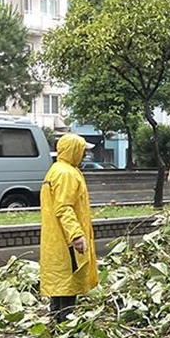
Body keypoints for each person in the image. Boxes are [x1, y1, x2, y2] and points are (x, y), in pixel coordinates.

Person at [39, 134, 97, 322]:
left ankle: (55, 321)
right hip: (67, 240)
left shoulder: (56, 170)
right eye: (82, 150)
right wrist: (76, 235)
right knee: (69, 282)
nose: (84, 154)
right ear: (74, 150)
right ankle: (65, 324)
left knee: (59, 282)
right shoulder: (67, 174)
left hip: (56, 238)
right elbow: (64, 207)